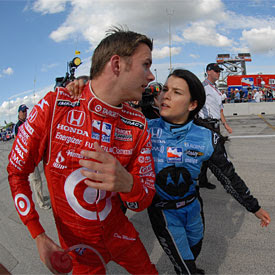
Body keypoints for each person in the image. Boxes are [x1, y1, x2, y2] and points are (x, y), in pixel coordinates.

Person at [7, 27, 158, 274]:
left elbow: (144, 199)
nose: (151, 76)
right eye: (146, 65)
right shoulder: (55, 105)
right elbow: (16, 172)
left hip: (120, 234)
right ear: (117, 65)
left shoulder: (138, 123)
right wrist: (38, 235)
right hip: (78, 247)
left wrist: (128, 183)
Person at [145, 69, 270, 275]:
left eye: (176, 92)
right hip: (162, 211)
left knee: (193, 251)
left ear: (193, 104)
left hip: (193, 208)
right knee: (186, 267)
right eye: (165, 89)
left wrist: (253, 207)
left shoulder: (207, 137)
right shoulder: (144, 129)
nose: (165, 95)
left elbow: (228, 177)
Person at [198, 63, 232, 189]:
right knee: (215, 153)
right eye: (216, 71)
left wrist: (225, 124)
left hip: (215, 125)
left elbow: (220, 109)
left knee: (209, 154)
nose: (218, 73)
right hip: (206, 124)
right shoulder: (202, 87)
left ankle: (203, 180)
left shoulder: (216, 89)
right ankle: (228, 180)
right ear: (209, 71)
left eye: (219, 71)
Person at [13, 104, 51, 210]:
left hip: (34, 156)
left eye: (26, 111)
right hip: (27, 158)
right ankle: (41, 203)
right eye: (23, 111)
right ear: (19, 113)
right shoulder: (17, 126)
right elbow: (20, 143)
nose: (25, 113)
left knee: (39, 179)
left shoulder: (26, 123)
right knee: (36, 180)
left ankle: (42, 197)